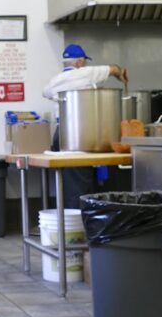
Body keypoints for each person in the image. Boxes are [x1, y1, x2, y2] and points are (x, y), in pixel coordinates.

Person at [42, 43, 129, 208]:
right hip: (79, 136)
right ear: (79, 62)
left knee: (67, 179)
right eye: (84, 62)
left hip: (60, 135)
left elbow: (45, 92)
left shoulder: (55, 80)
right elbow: (113, 69)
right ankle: (80, 218)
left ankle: (68, 217)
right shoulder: (86, 73)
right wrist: (121, 74)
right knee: (79, 182)